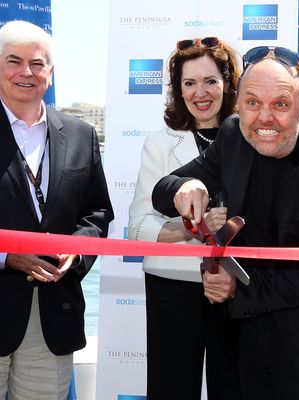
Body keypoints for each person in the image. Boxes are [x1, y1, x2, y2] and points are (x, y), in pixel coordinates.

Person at [152, 46, 299, 400]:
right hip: (239, 344)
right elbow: (163, 192)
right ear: (238, 104)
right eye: (252, 103)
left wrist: (237, 289)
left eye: (280, 104)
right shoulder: (234, 135)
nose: (264, 117)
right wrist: (185, 185)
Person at [0, 20, 114, 400]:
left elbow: (97, 213)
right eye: (13, 61)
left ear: (51, 72)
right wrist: (6, 255)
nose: (26, 72)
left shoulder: (80, 135)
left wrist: (76, 249)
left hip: (54, 314)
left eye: (37, 63)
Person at [128, 37, 241, 399]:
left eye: (210, 81)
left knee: (236, 387)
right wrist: (191, 228)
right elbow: (139, 226)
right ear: (178, 89)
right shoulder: (160, 143)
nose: (200, 92)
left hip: (236, 288)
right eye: (189, 83)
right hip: (172, 287)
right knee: (170, 389)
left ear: (228, 83)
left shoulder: (251, 140)